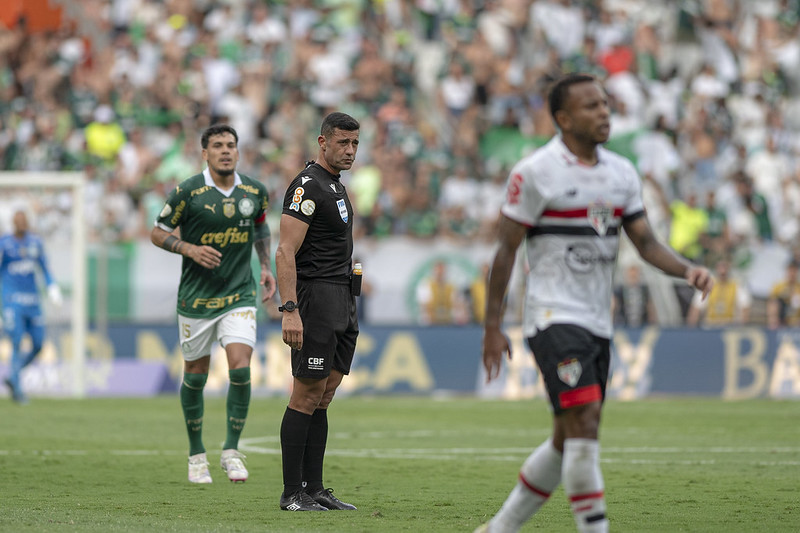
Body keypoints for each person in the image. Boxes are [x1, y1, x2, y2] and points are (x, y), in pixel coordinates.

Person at [478, 74, 714, 533]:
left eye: (605, 104)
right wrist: (492, 326)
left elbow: (645, 243)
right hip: (552, 316)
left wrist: (687, 270)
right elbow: (505, 251)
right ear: (564, 119)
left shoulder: (621, 173)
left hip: (596, 323)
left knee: (568, 438)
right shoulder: (535, 172)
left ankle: (499, 529)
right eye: (591, 106)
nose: (603, 112)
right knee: (584, 424)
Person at [150, 124, 276, 484]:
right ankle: (195, 455)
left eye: (231, 145)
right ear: (204, 153)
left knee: (240, 367)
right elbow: (157, 230)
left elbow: (261, 226)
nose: (225, 150)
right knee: (195, 376)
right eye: (218, 145)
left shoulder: (254, 191)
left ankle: (232, 450)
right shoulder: (188, 192)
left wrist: (265, 266)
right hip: (196, 299)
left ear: (238, 151)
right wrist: (188, 248)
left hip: (239, 293)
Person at [274, 111, 360, 512]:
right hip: (315, 300)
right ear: (322, 142)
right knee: (306, 392)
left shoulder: (336, 187)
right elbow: (285, 250)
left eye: (355, 143)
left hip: (342, 298)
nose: (350, 150)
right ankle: (292, 493)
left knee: (325, 394)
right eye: (342, 143)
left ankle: (315, 488)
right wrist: (290, 309)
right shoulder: (308, 185)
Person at [1, 210, 62, 404]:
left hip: (33, 301)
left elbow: (44, 269)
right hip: (12, 300)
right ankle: (17, 389)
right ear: (13, 223)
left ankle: (13, 376)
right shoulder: (4, 245)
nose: (21, 224)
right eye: (18, 221)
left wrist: (52, 287)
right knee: (17, 339)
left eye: (24, 221)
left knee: (38, 344)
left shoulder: (35, 244)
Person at [686, 259, 750, 327]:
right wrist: (691, 330)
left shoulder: (737, 286)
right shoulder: (707, 284)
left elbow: (745, 309)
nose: (723, 271)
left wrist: (742, 327)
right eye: (720, 267)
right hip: (710, 327)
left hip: (730, 327)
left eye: (725, 266)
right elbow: (696, 309)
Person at [767, 260, 800, 329]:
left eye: (794, 271)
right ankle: (774, 325)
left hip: (796, 319)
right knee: (774, 303)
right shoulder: (778, 286)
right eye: (790, 271)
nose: (792, 273)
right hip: (781, 318)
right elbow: (771, 303)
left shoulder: (798, 287)